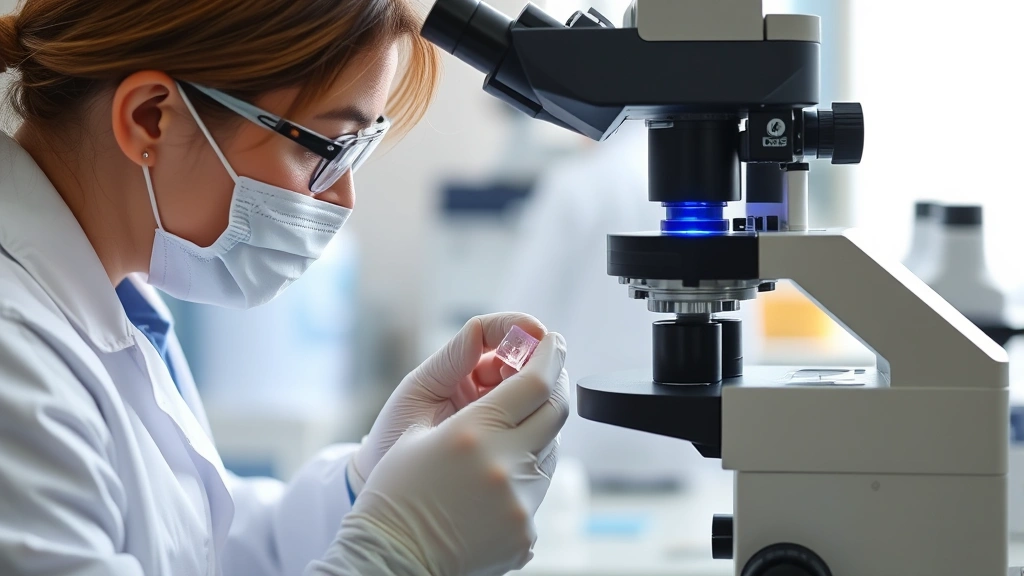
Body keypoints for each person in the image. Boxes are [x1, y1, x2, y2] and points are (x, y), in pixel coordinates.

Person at [0, 1, 569, 575]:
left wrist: (378, 480)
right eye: (323, 147)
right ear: (151, 117)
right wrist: (400, 555)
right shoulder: (13, 361)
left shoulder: (116, 296)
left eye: (360, 149)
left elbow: (209, 544)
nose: (344, 197)